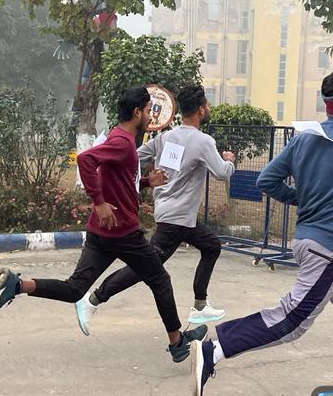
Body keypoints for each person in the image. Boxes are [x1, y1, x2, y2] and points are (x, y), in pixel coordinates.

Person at [189, 69, 333, 396]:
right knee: (292, 319)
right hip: (329, 248)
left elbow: (266, 181)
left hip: (306, 242)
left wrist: (303, 198)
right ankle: (214, 349)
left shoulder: (305, 138)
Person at [0, 86, 206, 362]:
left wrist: (148, 182)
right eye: (148, 110)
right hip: (123, 233)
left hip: (102, 233)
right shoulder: (122, 142)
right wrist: (98, 202)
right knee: (160, 280)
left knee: (75, 288)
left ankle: (16, 285)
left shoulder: (120, 138)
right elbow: (85, 159)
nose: (151, 116)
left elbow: (118, 180)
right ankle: (177, 343)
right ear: (137, 112)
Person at [78, 85, 235, 332]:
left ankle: (200, 305)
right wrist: (229, 161)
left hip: (175, 215)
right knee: (145, 269)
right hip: (176, 219)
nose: (209, 109)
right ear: (201, 109)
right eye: (207, 105)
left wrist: (128, 171)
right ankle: (94, 299)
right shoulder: (204, 141)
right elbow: (222, 173)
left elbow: (134, 156)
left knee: (211, 245)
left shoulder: (166, 137)